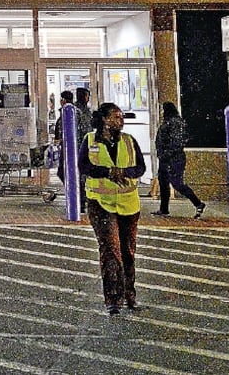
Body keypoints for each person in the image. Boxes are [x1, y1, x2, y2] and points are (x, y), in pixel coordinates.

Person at [78, 102, 147, 315]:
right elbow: (84, 166)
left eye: (121, 117)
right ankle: (113, 299)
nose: (121, 121)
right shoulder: (89, 141)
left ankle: (130, 295)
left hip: (128, 205)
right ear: (105, 120)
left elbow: (141, 167)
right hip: (101, 204)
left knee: (128, 252)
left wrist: (124, 172)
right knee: (111, 250)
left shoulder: (129, 141)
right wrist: (108, 172)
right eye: (116, 117)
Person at [153, 102, 206, 219]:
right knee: (163, 183)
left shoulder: (175, 122)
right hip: (166, 158)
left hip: (173, 159)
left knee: (177, 183)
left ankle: (198, 203)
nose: (162, 112)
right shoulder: (171, 121)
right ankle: (164, 209)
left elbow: (177, 142)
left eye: (163, 110)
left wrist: (166, 155)